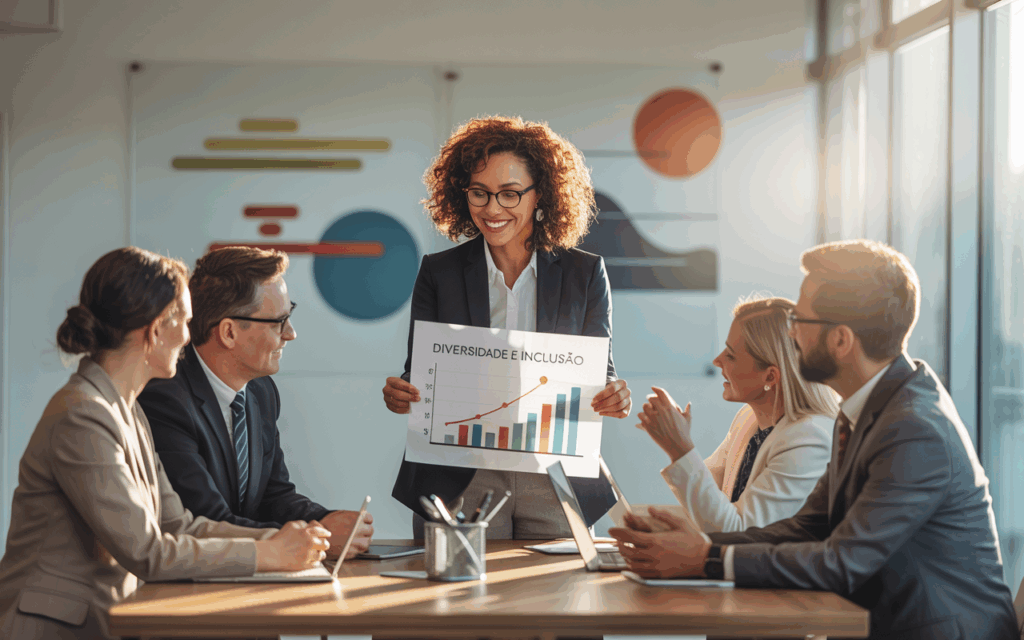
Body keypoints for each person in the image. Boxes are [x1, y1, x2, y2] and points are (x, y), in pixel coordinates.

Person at [610, 240, 1018, 640]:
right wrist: (698, 546)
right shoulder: (865, 408)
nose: (792, 335)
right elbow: (808, 526)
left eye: (799, 322)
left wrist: (705, 558)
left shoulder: (914, 430)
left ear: (841, 340)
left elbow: (842, 561)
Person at [0, 248, 329, 640]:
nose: (190, 337)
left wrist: (285, 540)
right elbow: (149, 551)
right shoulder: (82, 414)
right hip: (54, 628)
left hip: (104, 619)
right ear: (155, 331)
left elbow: (180, 524)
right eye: (186, 323)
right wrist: (269, 553)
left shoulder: (126, 410)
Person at [385, 116, 632, 539]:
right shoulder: (438, 273)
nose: (492, 209)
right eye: (479, 193)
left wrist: (615, 394)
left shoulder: (584, 273)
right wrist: (402, 392)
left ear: (542, 196)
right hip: (461, 475)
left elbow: (599, 370)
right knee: (454, 599)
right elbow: (421, 370)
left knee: (558, 598)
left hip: (553, 475)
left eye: (510, 194)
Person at [138, 246, 373, 560]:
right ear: (230, 332)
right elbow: (206, 521)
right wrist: (317, 540)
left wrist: (326, 523)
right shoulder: (166, 398)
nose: (291, 333)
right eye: (278, 322)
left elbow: (273, 496)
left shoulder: (261, 391)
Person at [636, 296, 839, 532]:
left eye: (730, 355)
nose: (717, 360)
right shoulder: (749, 418)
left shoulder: (809, 440)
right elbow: (709, 505)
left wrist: (679, 448)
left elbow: (739, 531)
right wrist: (645, 522)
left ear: (770, 377)